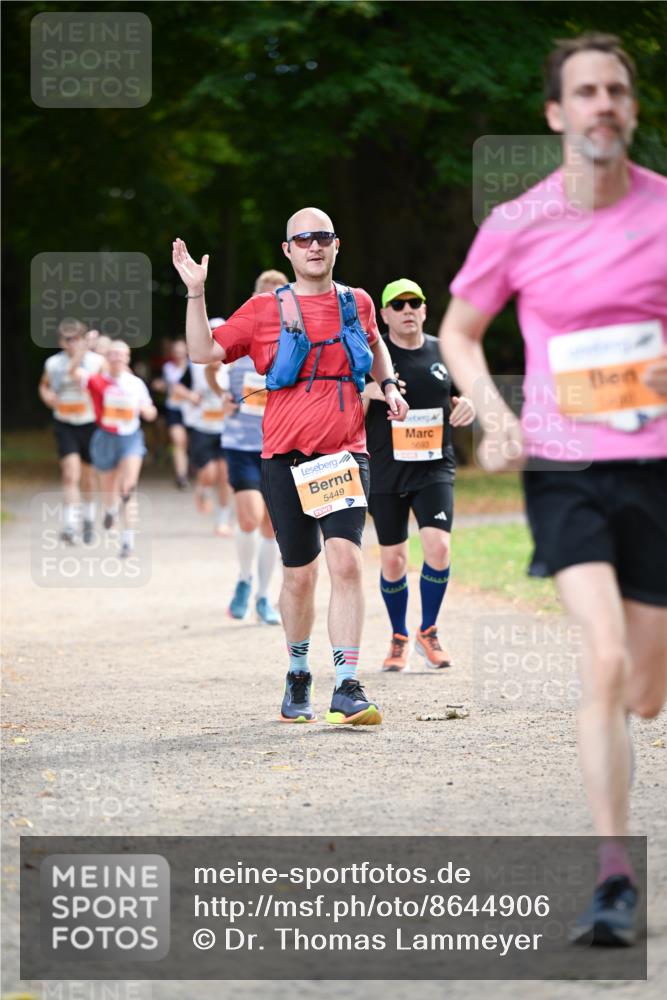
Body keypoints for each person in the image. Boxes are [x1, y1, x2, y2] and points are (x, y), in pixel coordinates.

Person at [440, 33, 667, 945]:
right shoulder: (517, 223)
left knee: (645, 691)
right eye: (584, 91)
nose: (601, 104)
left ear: (631, 109)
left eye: (615, 90)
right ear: (555, 112)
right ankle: (613, 875)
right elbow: (459, 331)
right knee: (602, 659)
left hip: (658, 467)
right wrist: (494, 417)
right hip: (564, 468)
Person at [172, 207, 408, 725]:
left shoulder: (357, 302)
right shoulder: (263, 310)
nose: (314, 246)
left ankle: (346, 684)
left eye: (322, 237)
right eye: (303, 239)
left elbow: (375, 346)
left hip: (344, 454)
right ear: (288, 250)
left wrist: (388, 386)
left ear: (336, 244)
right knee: (300, 577)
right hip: (285, 458)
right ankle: (298, 671)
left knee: (346, 562)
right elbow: (202, 350)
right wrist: (196, 293)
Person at [364, 279, 474, 671]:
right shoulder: (373, 356)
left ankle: (428, 630)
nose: (407, 310)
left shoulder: (444, 352)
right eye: (398, 305)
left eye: (415, 303)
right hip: (386, 470)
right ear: (384, 315)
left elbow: (469, 393)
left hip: (434, 467)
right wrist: (371, 391)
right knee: (393, 560)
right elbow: (346, 404)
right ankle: (399, 636)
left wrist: (469, 405)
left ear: (425, 310)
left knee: (439, 548)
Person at [207, 270, 287, 625]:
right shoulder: (240, 336)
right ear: (256, 300)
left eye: (278, 297)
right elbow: (210, 365)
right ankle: (244, 579)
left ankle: (264, 597)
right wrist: (220, 395)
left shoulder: (293, 341)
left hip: (279, 443)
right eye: (265, 297)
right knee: (250, 517)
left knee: (271, 525)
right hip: (241, 443)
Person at [71, 339, 157, 557]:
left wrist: (146, 411)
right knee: (108, 490)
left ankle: (128, 540)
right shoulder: (96, 380)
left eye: (122, 354)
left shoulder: (135, 383)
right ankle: (110, 510)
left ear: (128, 358)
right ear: (106, 358)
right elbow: (73, 373)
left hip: (131, 439)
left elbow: (151, 410)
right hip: (105, 438)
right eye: (113, 354)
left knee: (127, 488)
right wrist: (81, 350)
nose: (118, 358)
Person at [38, 318, 103, 544]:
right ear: (60, 341)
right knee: (69, 474)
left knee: (88, 478)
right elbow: (44, 385)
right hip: (65, 422)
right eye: (67, 339)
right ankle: (69, 525)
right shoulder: (53, 363)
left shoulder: (96, 362)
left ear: (83, 339)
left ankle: (88, 519)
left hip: (90, 423)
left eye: (76, 338)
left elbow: (108, 385)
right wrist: (47, 396)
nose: (71, 342)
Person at [174, 357, 234, 535]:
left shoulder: (234, 366)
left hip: (227, 429)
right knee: (209, 473)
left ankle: (222, 521)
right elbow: (177, 387)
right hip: (202, 427)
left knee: (225, 476)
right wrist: (190, 396)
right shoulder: (195, 366)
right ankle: (204, 488)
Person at [151, 339, 191, 489]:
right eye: (176, 351)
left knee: (187, 443)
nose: (178, 354)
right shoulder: (167, 367)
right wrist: (160, 385)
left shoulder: (194, 366)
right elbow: (164, 384)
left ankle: (192, 469)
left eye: (181, 351)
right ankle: (181, 476)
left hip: (192, 410)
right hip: (174, 409)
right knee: (178, 441)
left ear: (187, 351)